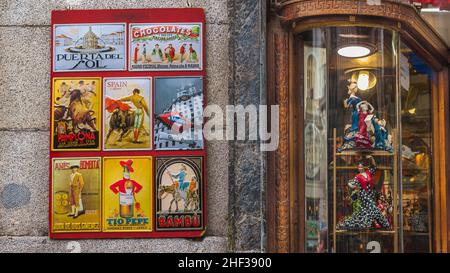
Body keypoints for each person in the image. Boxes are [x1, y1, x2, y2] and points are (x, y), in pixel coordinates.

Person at [336, 156, 390, 230]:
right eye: (359, 167)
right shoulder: (358, 177)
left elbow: (373, 166)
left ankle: (379, 224)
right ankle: (384, 224)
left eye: (361, 167)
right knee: (373, 209)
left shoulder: (368, 173)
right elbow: (351, 184)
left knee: (367, 211)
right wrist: (349, 183)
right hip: (364, 195)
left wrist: (371, 159)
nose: (360, 168)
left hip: (370, 193)